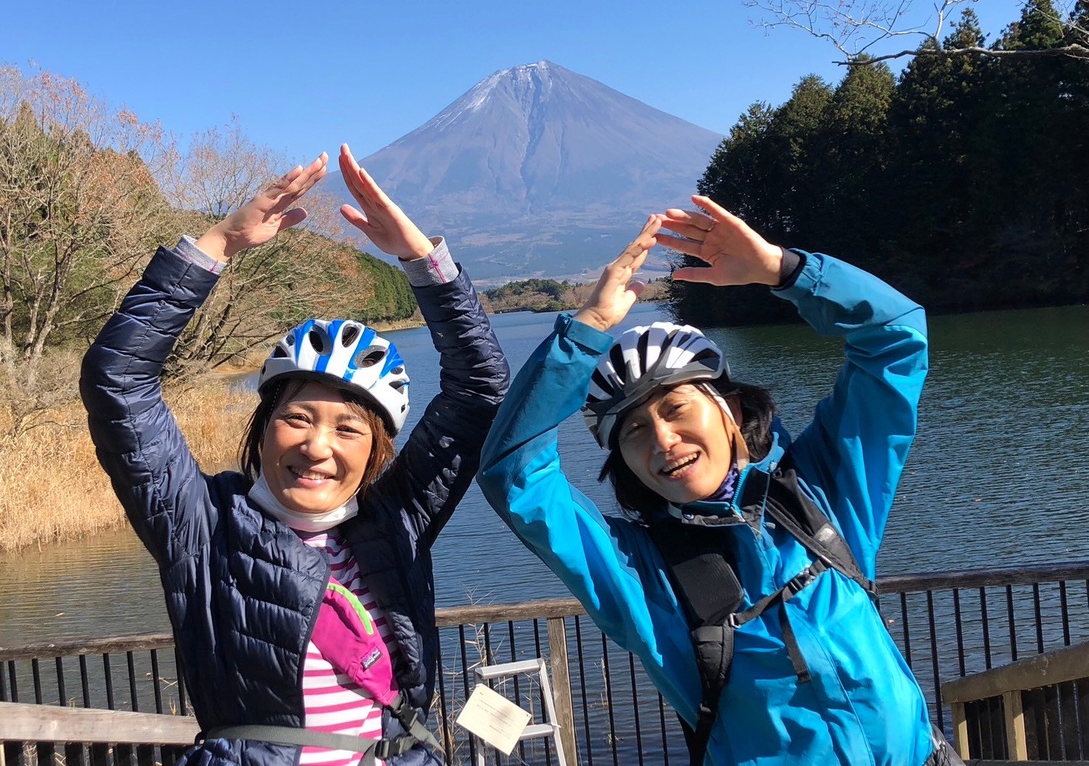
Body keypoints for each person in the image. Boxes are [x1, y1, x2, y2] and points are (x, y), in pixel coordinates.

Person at [477, 198, 963, 765]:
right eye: (633, 431)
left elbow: (895, 340)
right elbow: (515, 476)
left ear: (729, 409)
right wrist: (585, 331)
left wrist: (786, 271)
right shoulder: (639, 571)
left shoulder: (819, 495)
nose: (662, 440)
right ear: (624, 463)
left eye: (677, 408)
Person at [81, 145, 509, 766]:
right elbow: (117, 378)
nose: (317, 447)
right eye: (298, 418)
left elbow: (480, 391)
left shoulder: (393, 523)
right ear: (263, 428)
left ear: (377, 451)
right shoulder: (202, 525)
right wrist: (218, 246)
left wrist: (425, 263)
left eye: (349, 430)